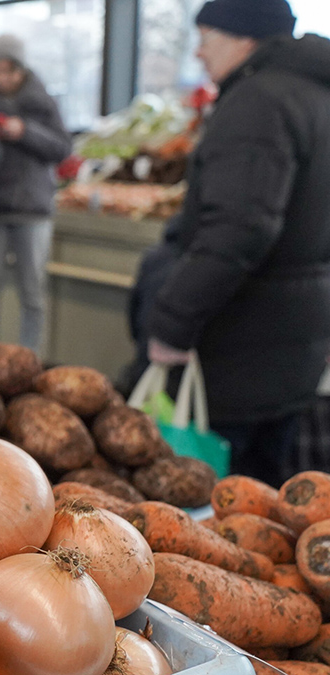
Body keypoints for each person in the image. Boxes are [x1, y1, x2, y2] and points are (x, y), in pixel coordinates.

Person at [146, 0, 330, 486]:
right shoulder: (316, 94)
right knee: (269, 504)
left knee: (219, 503)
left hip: (240, 343)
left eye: (207, 35)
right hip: (296, 341)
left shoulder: (257, 102)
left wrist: (170, 325)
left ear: (243, 36)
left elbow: (239, 229)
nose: (199, 52)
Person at [0, 35, 72, 354]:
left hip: (33, 209)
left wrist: (24, 131)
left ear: (21, 69)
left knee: (32, 294)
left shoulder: (43, 101)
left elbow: (62, 149)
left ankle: (30, 362)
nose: (4, 78)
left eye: (10, 71)